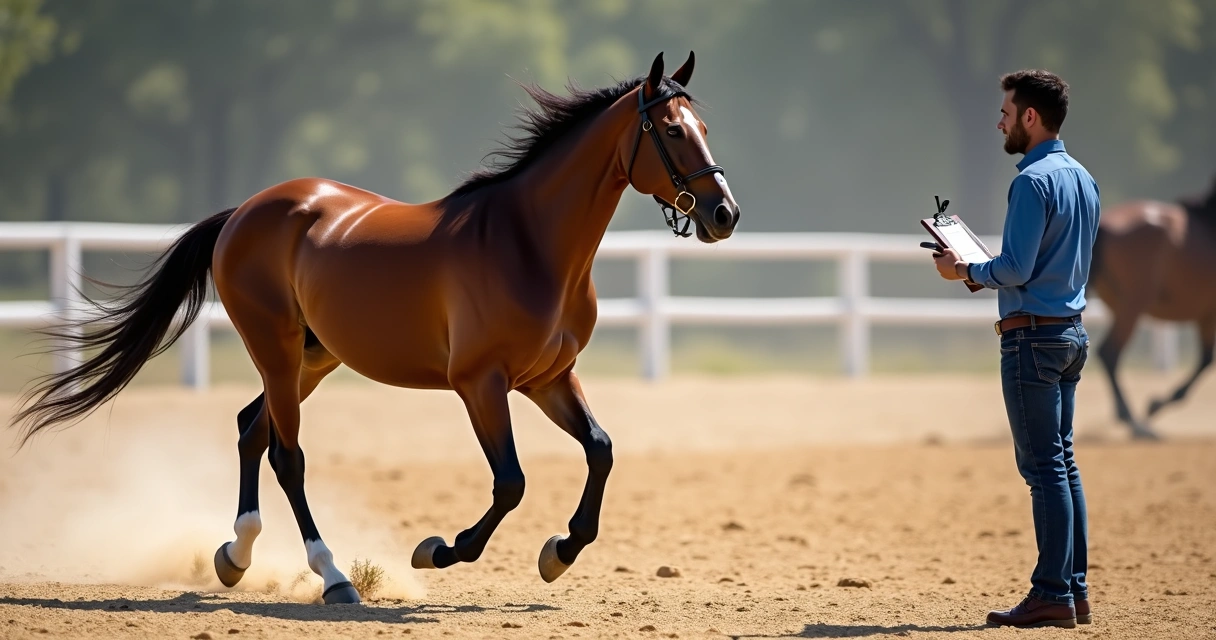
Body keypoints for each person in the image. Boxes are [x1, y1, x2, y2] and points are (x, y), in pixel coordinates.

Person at [931, 69, 1099, 629]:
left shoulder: (1031, 182)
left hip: (1031, 337)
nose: (999, 120)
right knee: (1063, 464)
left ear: (1031, 117)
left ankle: (1052, 591)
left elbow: (1016, 267)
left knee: (1043, 468)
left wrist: (964, 270)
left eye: (1006, 111)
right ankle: (1073, 590)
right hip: (1071, 332)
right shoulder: (1083, 178)